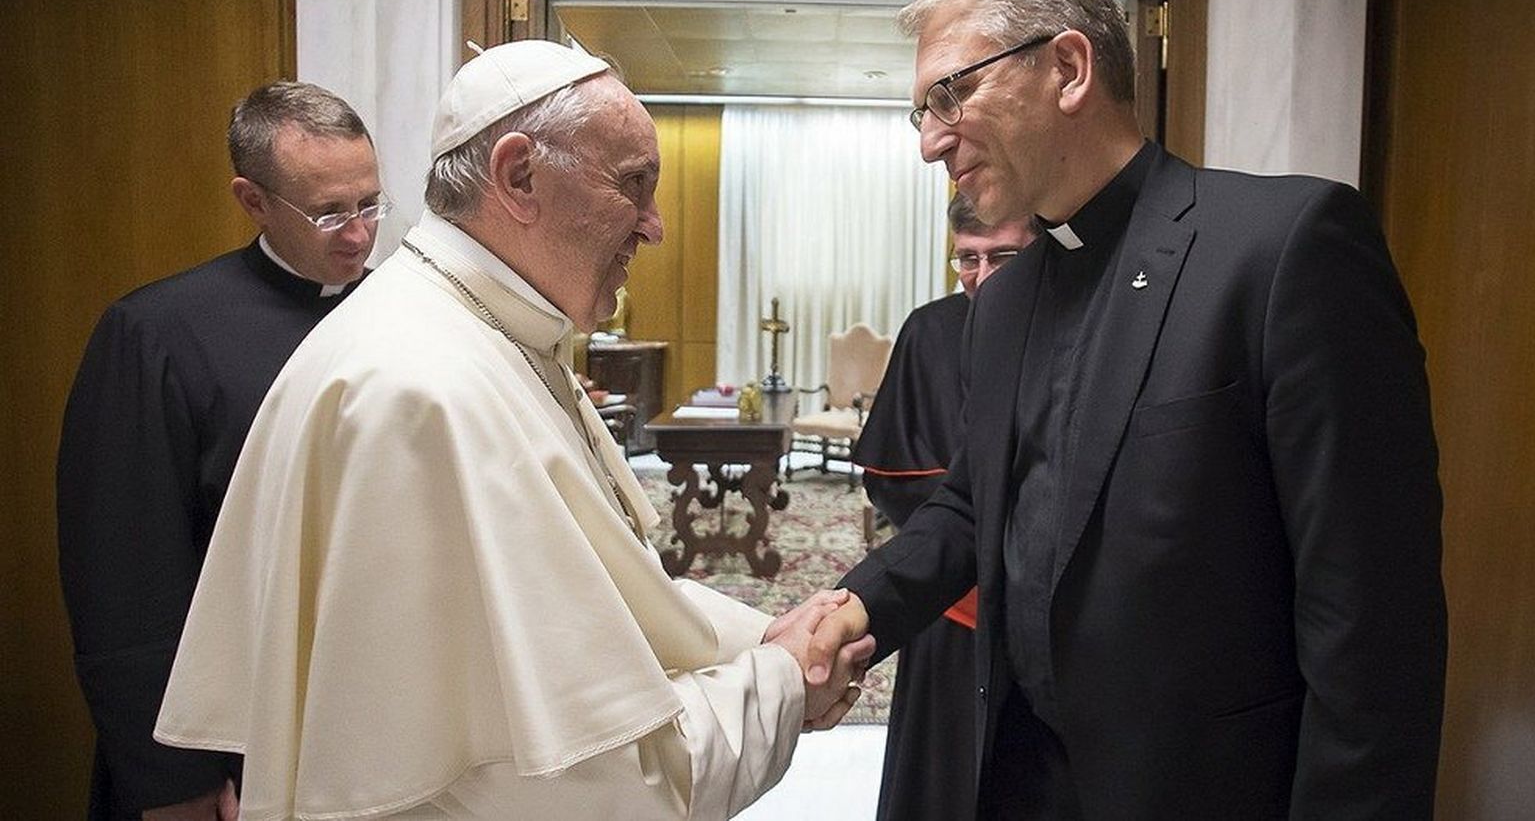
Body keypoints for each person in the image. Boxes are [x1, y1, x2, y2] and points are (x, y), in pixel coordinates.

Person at [810, 0, 1447, 818]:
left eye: (950, 95)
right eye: (920, 111)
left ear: (1068, 68)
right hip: (1017, 780)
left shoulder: (1282, 249)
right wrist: (857, 608)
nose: (930, 143)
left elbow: (1373, 628)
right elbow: (974, 503)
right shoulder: (1001, 304)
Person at [154, 40, 872, 820]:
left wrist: (766, 635)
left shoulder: (484, 330)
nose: (655, 226)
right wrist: (780, 678)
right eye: (634, 186)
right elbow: (593, 785)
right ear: (519, 175)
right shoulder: (422, 390)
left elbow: (612, 603)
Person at [56, 82, 384, 821]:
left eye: (370, 203)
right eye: (330, 212)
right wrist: (175, 779)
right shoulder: (157, 334)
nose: (359, 234)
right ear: (253, 200)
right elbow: (125, 576)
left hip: (360, 714)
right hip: (225, 735)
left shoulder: (398, 314)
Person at [857, 194, 1040, 821]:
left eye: (1004, 255)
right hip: (952, 601)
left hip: (1047, 604)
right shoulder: (929, 329)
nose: (984, 276)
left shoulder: (1072, 321)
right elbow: (890, 474)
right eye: (968, 259)